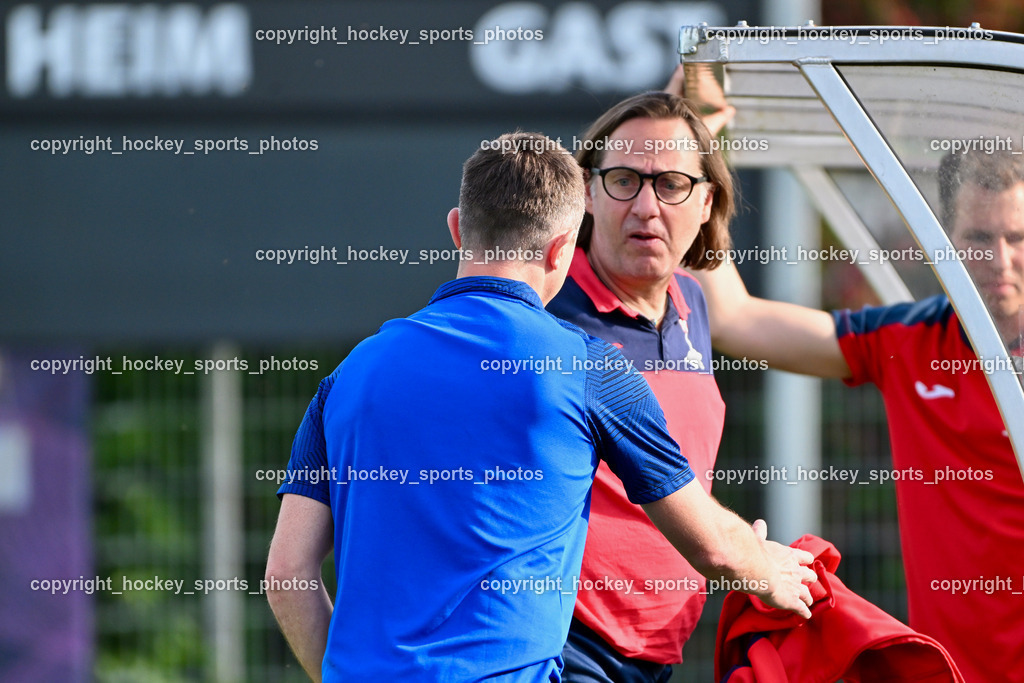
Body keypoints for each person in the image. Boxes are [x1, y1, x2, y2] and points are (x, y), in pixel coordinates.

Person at [264, 131, 816, 682]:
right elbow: (713, 548)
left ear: (457, 229)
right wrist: (769, 568)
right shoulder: (589, 369)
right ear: (561, 250)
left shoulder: (349, 375)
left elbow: (286, 573)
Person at [689, 142, 1024, 683]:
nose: (999, 260)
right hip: (950, 672)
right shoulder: (906, 340)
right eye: (979, 238)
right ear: (942, 239)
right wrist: (694, 151)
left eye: (1017, 238)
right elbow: (732, 318)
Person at [545, 72, 744, 681]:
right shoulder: (547, 309)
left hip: (657, 650)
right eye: (624, 180)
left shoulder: (694, 302)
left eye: (672, 184)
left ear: (706, 201)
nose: (647, 206)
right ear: (587, 191)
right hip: (563, 643)